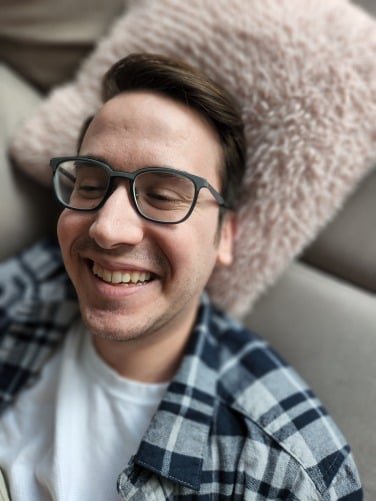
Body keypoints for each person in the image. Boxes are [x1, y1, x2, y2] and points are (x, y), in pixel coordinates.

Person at [0, 53, 362, 500]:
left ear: (224, 236)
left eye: (163, 196)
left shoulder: (287, 471)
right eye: (91, 186)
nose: (106, 228)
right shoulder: (26, 286)